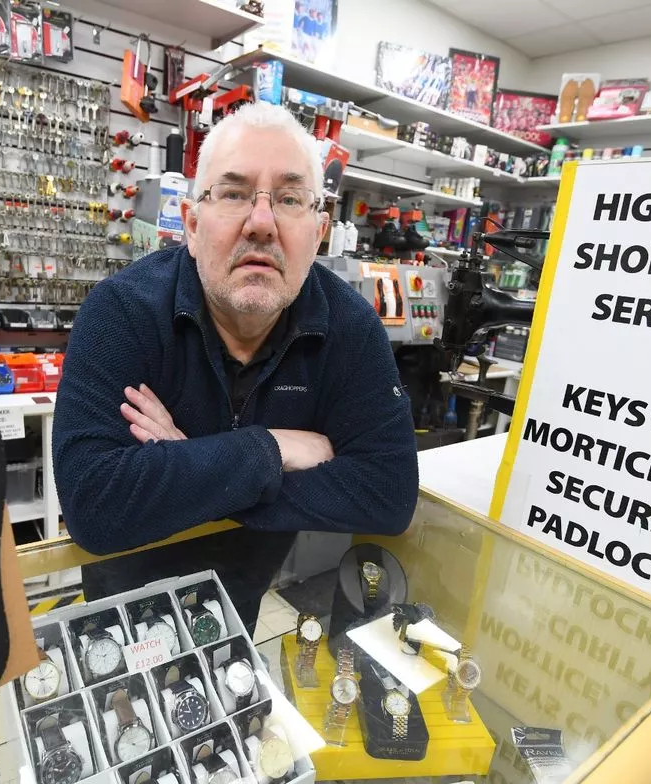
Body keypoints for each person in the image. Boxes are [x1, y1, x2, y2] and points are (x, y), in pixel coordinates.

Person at [52, 102, 418, 633]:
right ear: (192, 226)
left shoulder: (350, 327)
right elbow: (93, 503)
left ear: (318, 231)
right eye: (233, 193)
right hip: (124, 603)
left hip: (240, 601)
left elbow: (388, 494)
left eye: (290, 199)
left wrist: (192, 465)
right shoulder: (121, 312)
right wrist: (272, 449)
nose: (262, 223)